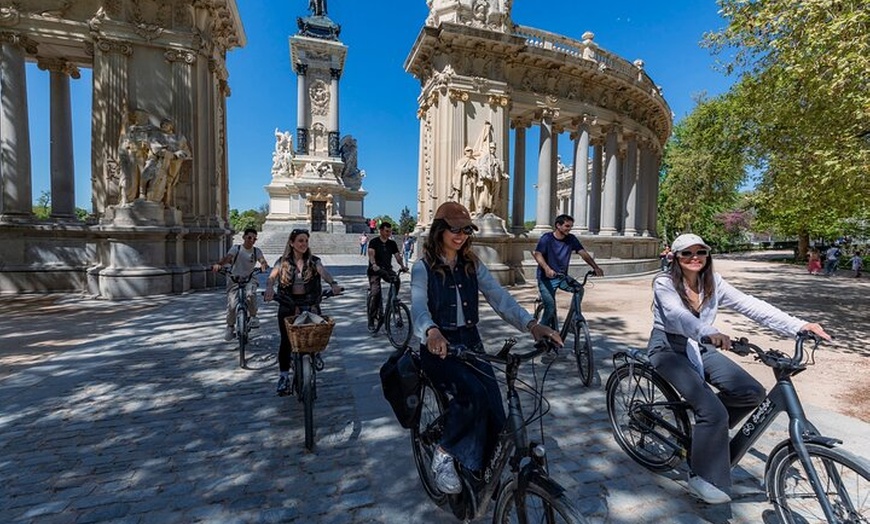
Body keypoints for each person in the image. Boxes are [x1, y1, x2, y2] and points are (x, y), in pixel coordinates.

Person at [649, 233, 830, 504]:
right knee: (713, 411)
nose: (695, 257)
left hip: (701, 346)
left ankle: (707, 434)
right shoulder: (664, 282)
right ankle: (701, 477)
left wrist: (799, 326)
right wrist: (708, 331)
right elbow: (678, 315)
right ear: (675, 257)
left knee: (751, 392)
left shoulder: (713, 282)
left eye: (701, 252)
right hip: (668, 348)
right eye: (687, 253)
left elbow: (751, 305)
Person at [410, 201, 562, 494]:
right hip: (438, 347)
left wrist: (532, 325)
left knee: (496, 409)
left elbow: (499, 297)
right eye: (455, 229)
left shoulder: (472, 264)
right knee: (473, 395)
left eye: (466, 230)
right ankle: (444, 452)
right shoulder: (423, 267)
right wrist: (431, 331)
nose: (461, 236)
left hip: (470, 343)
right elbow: (418, 306)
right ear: (440, 230)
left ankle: (480, 469)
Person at [264, 229, 342, 396]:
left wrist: (333, 284)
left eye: (306, 241)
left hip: (310, 302)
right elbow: (272, 277)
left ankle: (315, 354)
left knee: (315, 333)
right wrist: (269, 288)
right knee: (286, 341)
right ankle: (283, 376)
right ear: (292, 243)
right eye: (300, 241)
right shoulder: (282, 262)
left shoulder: (314, 261)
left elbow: (323, 272)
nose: (304, 244)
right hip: (288, 304)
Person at [532, 214, 604, 330]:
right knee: (550, 308)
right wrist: (547, 268)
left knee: (579, 290)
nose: (569, 229)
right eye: (567, 226)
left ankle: (572, 321)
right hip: (546, 279)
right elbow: (538, 254)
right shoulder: (547, 238)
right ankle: (541, 334)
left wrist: (595, 267)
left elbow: (583, 253)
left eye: (571, 226)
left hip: (562, 277)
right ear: (558, 225)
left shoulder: (571, 239)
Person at [212, 228, 269, 341]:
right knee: (232, 304)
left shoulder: (256, 251)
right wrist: (219, 265)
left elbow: (262, 260)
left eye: (254, 239)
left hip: (249, 278)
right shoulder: (236, 248)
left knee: (251, 294)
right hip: (234, 278)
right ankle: (230, 326)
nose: (251, 240)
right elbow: (228, 258)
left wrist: (263, 264)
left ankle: (253, 316)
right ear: (244, 237)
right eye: (249, 237)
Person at [367, 222, 408, 329]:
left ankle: (391, 302)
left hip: (387, 269)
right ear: (380, 231)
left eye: (390, 231)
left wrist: (403, 266)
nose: (389, 233)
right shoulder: (374, 242)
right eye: (386, 231)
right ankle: (371, 318)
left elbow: (397, 256)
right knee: (375, 293)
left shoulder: (392, 243)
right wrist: (374, 264)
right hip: (375, 270)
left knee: (396, 280)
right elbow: (371, 254)